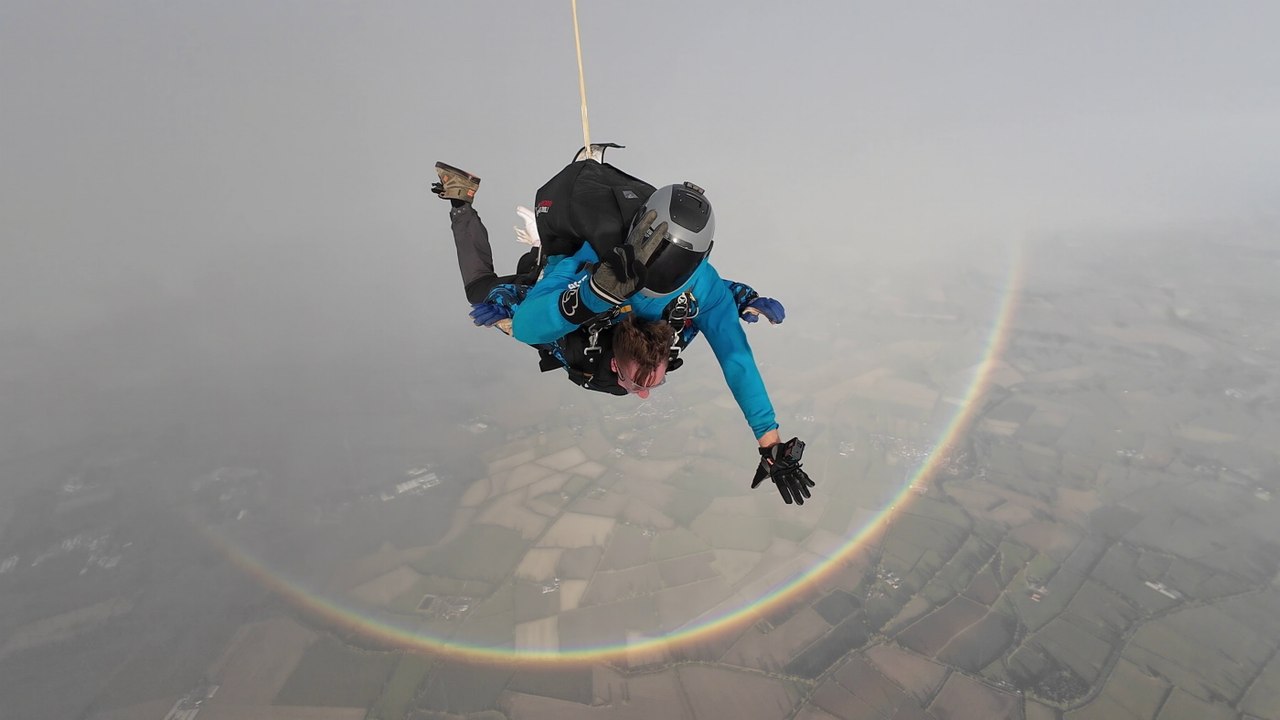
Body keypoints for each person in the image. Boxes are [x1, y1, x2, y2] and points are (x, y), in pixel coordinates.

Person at [434, 159, 814, 505]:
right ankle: (461, 205)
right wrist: (589, 295)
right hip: (564, 270)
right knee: (480, 291)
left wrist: (771, 443)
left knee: (690, 299)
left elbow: (736, 358)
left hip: (594, 288)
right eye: (642, 384)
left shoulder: (698, 287)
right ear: (615, 366)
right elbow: (528, 322)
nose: (645, 395)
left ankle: (571, 180)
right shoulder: (595, 266)